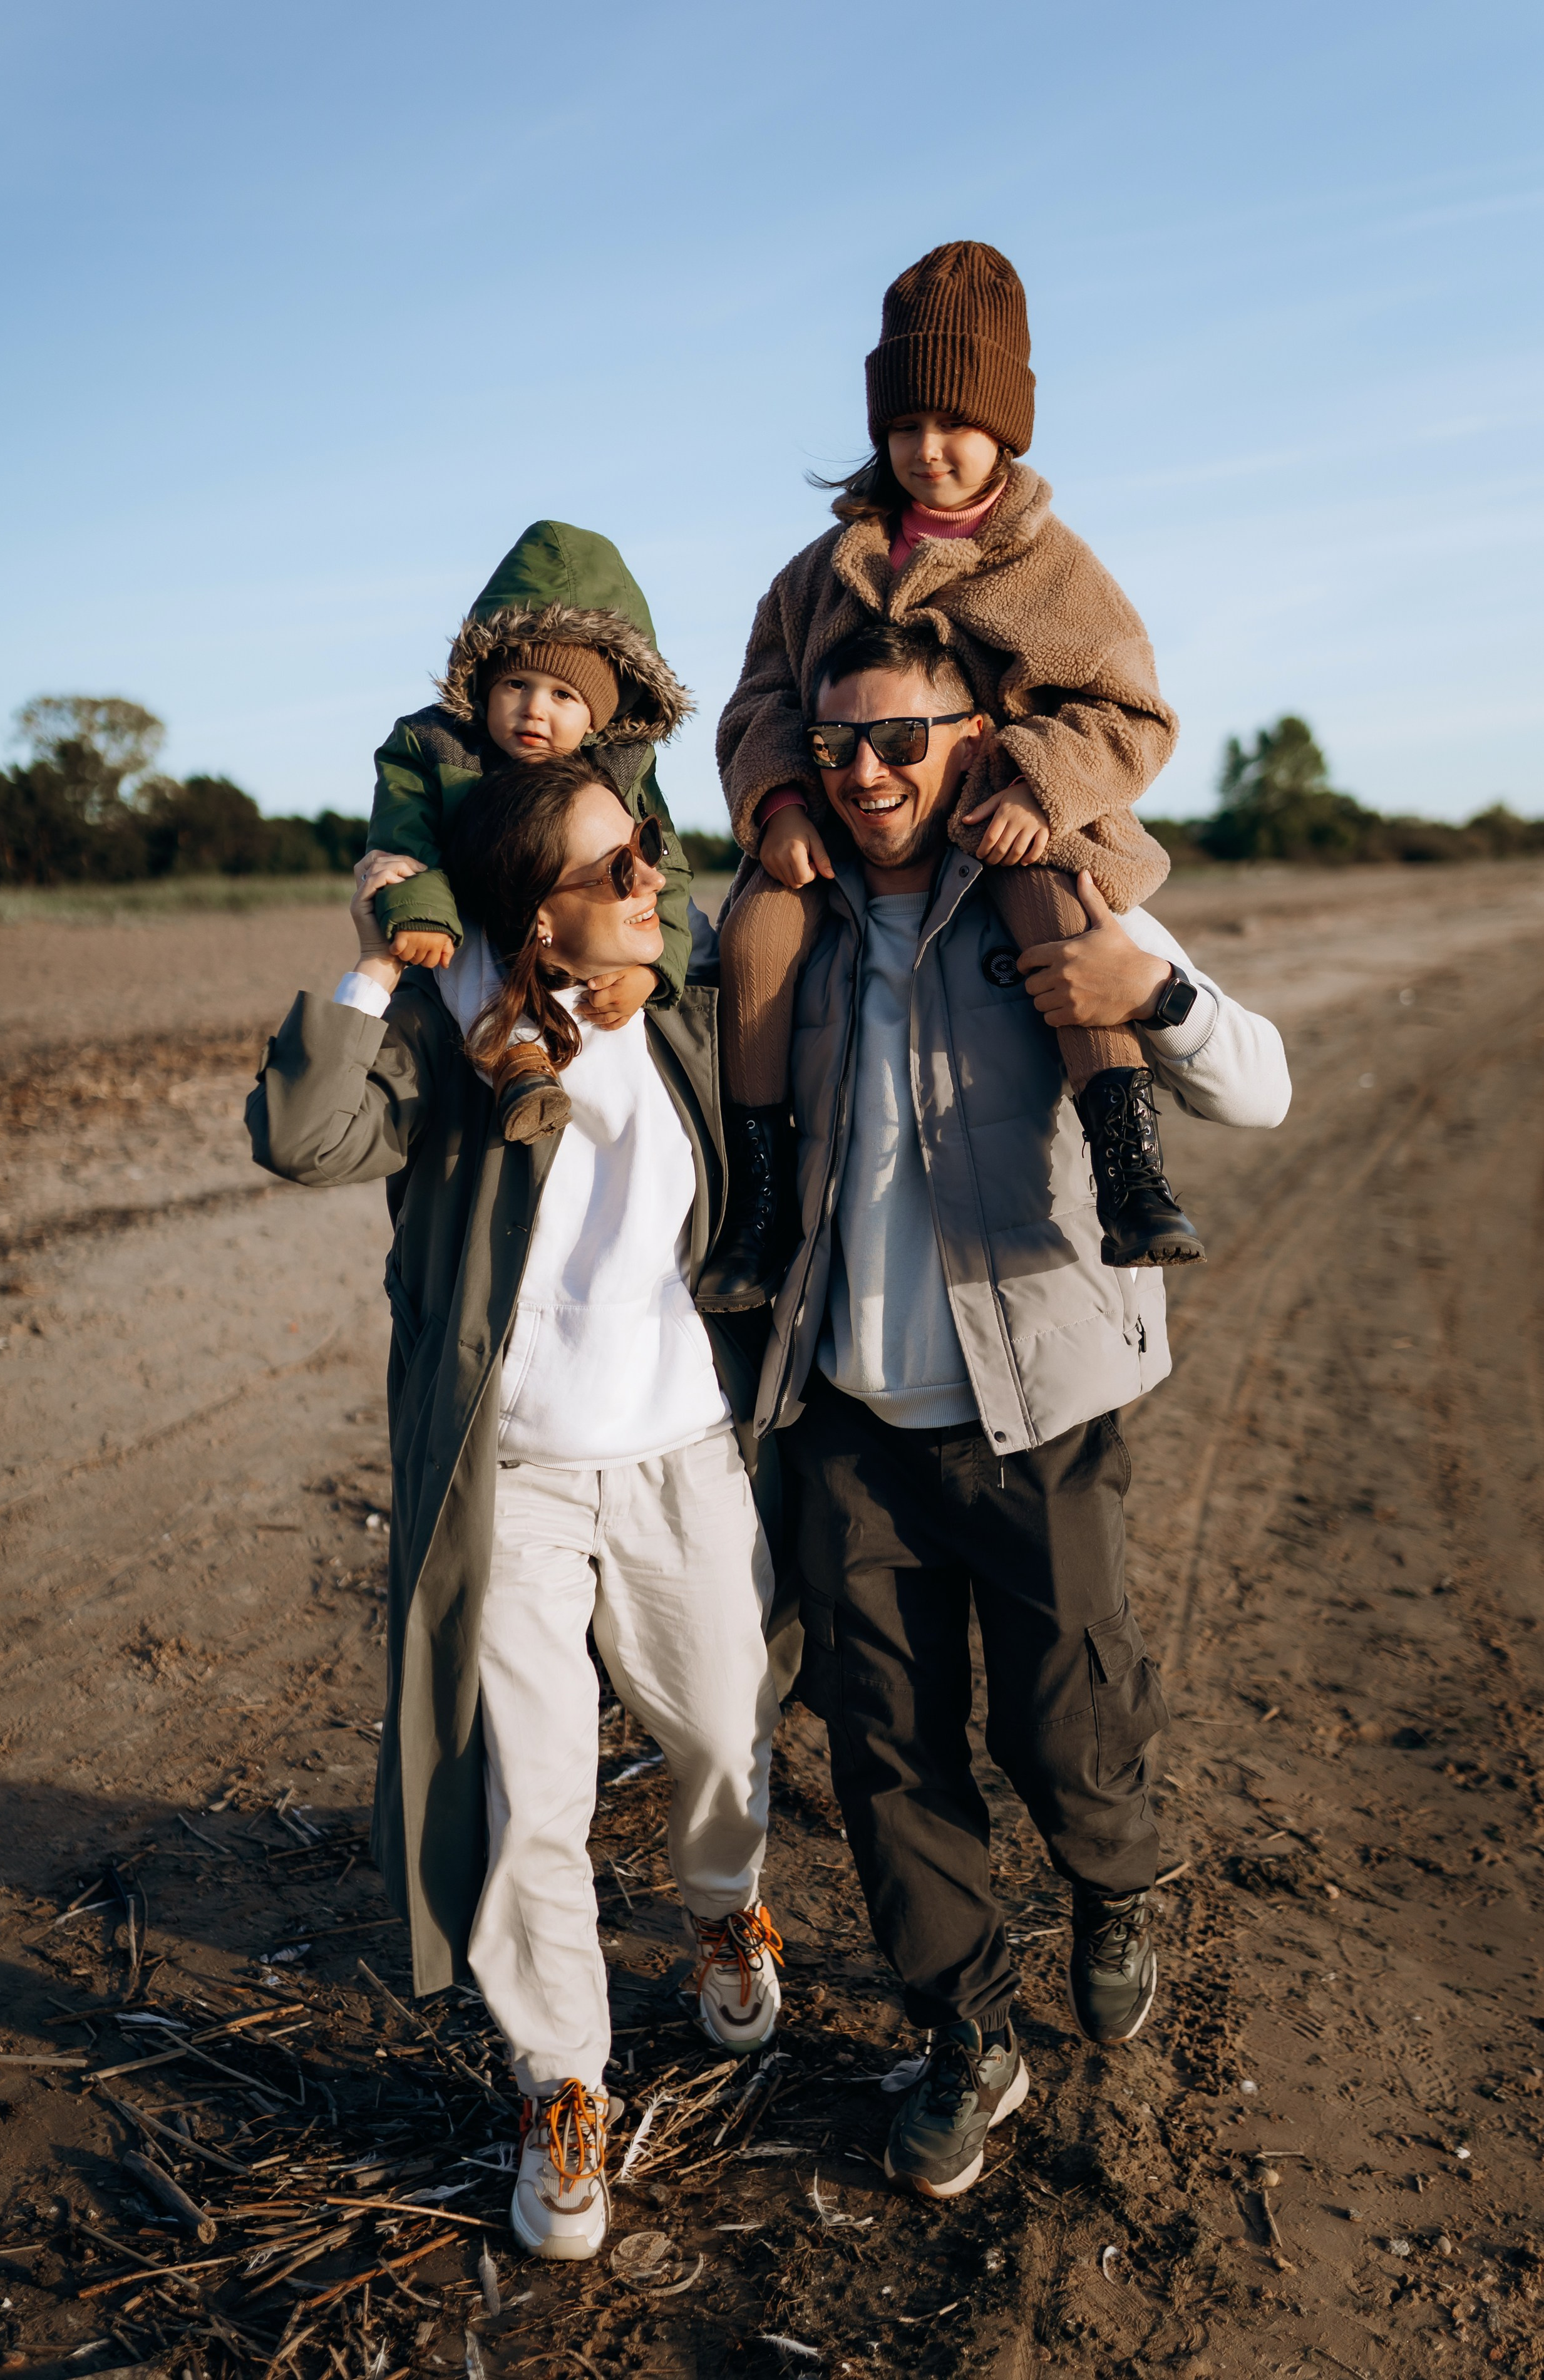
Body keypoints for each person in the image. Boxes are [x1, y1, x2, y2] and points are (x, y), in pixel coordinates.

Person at [751, 616, 1290, 2201]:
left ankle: (1116, 1878)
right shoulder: (792, 924)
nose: (866, 772)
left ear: (979, 732)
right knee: (885, 1757)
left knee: (1066, 1727)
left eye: (901, 737)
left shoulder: (1059, 888)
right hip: (850, 1416)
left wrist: (1160, 991)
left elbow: (1260, 1086)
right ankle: (965, 2031)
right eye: (838, 743)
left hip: (1039, 1407)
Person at [245, 752, 783, 2262]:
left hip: (684, 1447)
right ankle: (565, 2079)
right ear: (534, 910)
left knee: (722, 1726)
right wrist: (367, 963)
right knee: (531, 1793)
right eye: (615, 868)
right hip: (520, 1475)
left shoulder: (672, 1001)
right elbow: (301, 1137)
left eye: (649, 854)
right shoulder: (461, 1026)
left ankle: (725, 1904)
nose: (650, 881)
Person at [701, 239, 1201, 1308]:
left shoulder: (1051, 566)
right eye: (907, 425)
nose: (930, 450)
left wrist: (1038, 784)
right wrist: (781, 799)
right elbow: (760, 700)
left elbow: (1132, 712)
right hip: (848, 822)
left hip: (1004, 828)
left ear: (1006, 429)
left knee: (1054, 910)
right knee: (752, 934)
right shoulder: (821, 574)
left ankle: (1129, 1171)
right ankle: (757, 1205)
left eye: (957, 425)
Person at [361, 517, 704, 1139]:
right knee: (468, 952)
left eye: (563, 696)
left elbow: (664, 871)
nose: (533, 709)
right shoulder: (436, 747)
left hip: (570, 943)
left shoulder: (619, 772)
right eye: (516, 684)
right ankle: (514, 1059)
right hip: (473, 923)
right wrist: (420, 913)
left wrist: (654, 973)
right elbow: (404, 837)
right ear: (484, 683)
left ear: (598, 714)